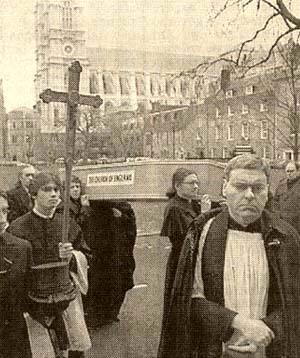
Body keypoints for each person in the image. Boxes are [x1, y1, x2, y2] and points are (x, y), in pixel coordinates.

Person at [158, 155, 300, 358]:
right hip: (216, 348)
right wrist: (238, 323)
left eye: (258, 188)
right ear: (225, 188)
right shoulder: (202, 233)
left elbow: (295, 301)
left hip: (270, 348)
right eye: (240, 186)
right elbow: (188, 300)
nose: (249, 195)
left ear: (267, 192)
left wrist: (267, 328)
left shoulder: (285, 237)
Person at [8, 172, 91, 358]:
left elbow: (86, 255)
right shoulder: (18, 228)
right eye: (47, 190)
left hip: (66, 298)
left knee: (73, 347)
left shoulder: (68, 224)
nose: (54, 194)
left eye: (56, 189)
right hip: (33, 301)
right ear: (33, 194)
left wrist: (72, 257)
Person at [86, 200, 137, 328]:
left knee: (119, 282)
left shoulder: (124, 207)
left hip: (119, 253)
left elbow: (130, 229)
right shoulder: (93, 206)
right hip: (102, 254)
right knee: (101, 283)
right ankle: (98, 316)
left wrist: (121, 218)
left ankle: (111, 313)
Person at [0, 191, 32, 358]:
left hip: (13, 338)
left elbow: (29, 291)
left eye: (4, 211)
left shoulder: (21, 248)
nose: (2, 220)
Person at [272, 161, 300, 233]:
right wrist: (278, 215)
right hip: (283, 222)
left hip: (297, 222)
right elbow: (275, 201)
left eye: (292, 171)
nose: (289, 173)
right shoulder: (281, 184)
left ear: (297, 171)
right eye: (287, 171)